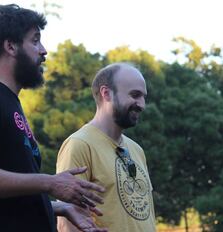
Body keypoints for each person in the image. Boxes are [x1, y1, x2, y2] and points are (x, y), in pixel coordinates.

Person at [0, 4, 107, 232]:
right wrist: (51, 182)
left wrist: (58, 207)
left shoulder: (9, 101)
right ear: (10, 46)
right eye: (35, 40)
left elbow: (4, 201)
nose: (43, 51)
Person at [56, 63, 156, 232]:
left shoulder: (136, 150)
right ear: (106, 93)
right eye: (135, 95)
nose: (142, 104)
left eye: (143, 97)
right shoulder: (79, 145)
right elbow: (67, 224)